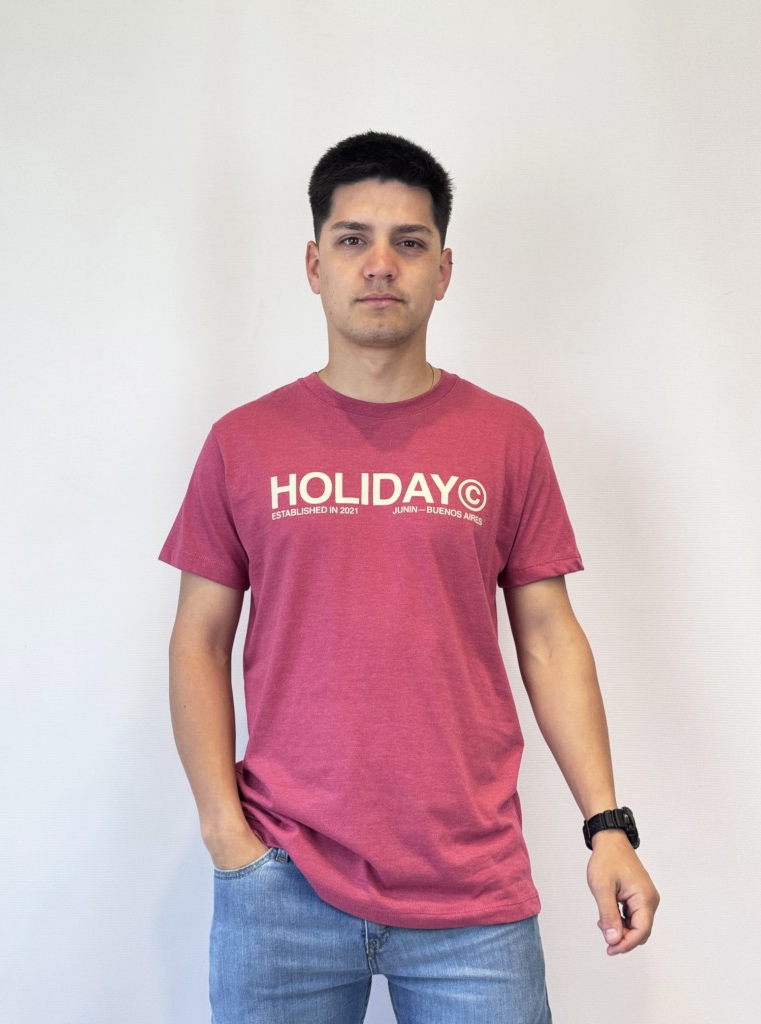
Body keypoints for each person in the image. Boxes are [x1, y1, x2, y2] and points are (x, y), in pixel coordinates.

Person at [160, 131, 659, 1024]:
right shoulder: (244, 441)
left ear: (444, 270)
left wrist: (607, 827)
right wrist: (225, 833)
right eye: (353, 239)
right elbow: (198, 639)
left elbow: (550, 639)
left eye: (410, 242)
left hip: (473, 892)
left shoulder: (506, 437)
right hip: (281, 883)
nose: (381, 264)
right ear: (314, 264)